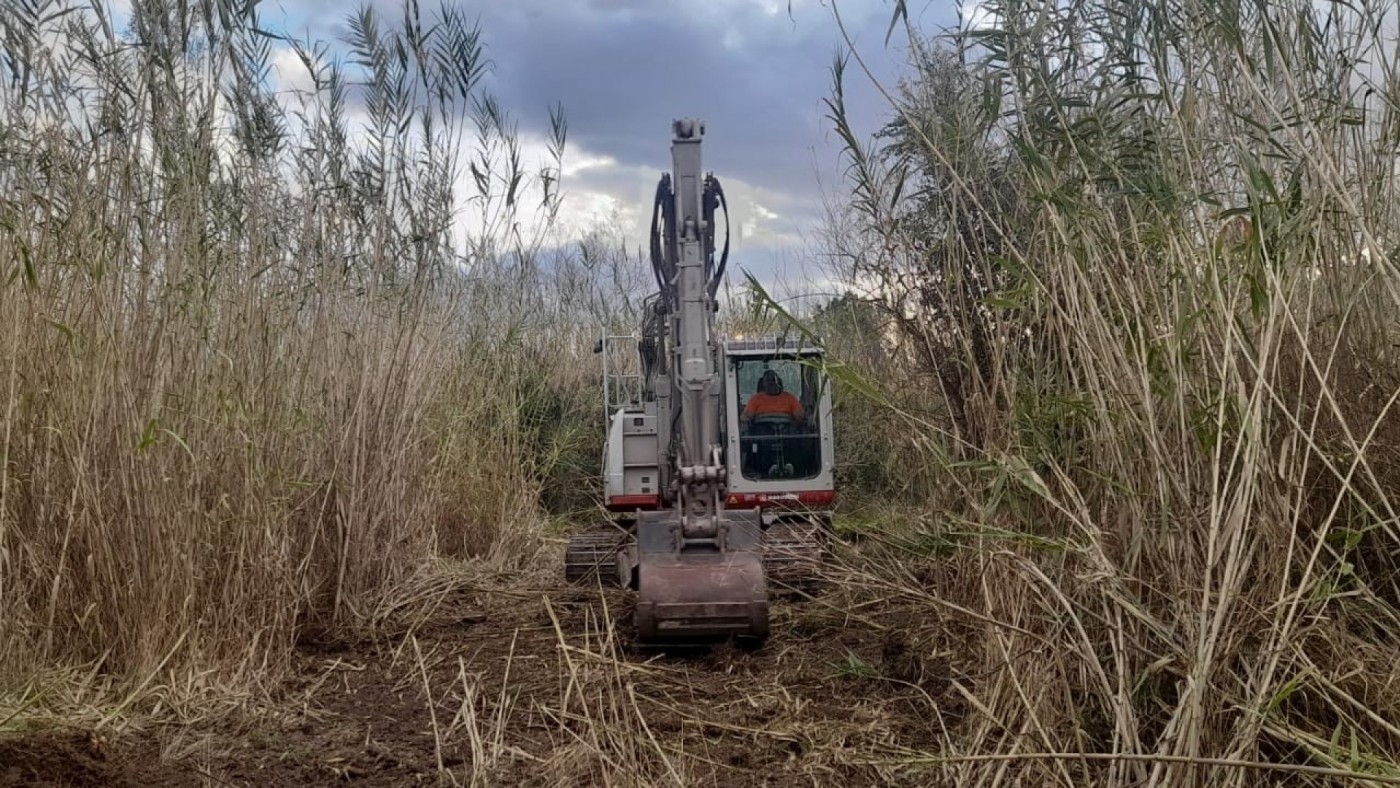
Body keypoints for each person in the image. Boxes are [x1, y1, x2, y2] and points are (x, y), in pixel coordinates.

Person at [740, 370, 805, 430]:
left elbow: (800, 416)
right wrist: (744, 423)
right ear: (763, 384)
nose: (771, 383)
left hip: (786, 430)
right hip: (762, 430)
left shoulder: (790, 398)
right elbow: (746, 416)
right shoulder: (756, 398)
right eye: (768, 380)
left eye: (773, 380)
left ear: (778, 382)